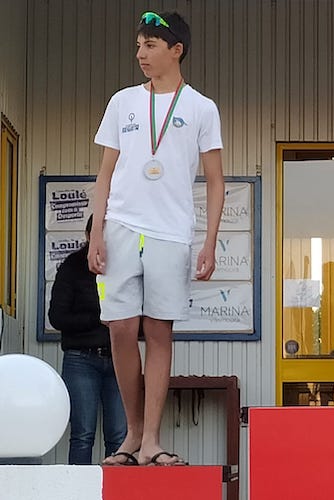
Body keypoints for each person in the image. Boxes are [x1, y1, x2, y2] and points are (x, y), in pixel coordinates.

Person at [89, 11, 224, 465]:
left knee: (158, 331)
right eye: (139, 46)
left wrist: (209, 242)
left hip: (171, 231)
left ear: (176, 50)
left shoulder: (201, 107)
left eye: (149, 45)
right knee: (122, 328)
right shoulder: (122, 101)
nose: (141, 54)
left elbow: (216, 180)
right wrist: (96, 233)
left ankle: (151, 440)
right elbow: (106, 172)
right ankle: (130, 434)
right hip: (122, 226)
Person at [49, 215, 126, 465]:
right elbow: (57, 317)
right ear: (88, 236)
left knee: (120, 436)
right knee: (83, 434)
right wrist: (98, 318)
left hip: (119, 358)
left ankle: (119, 492)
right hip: (81, 359)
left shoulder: (125, 266)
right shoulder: (72, 266)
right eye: (100, 235)